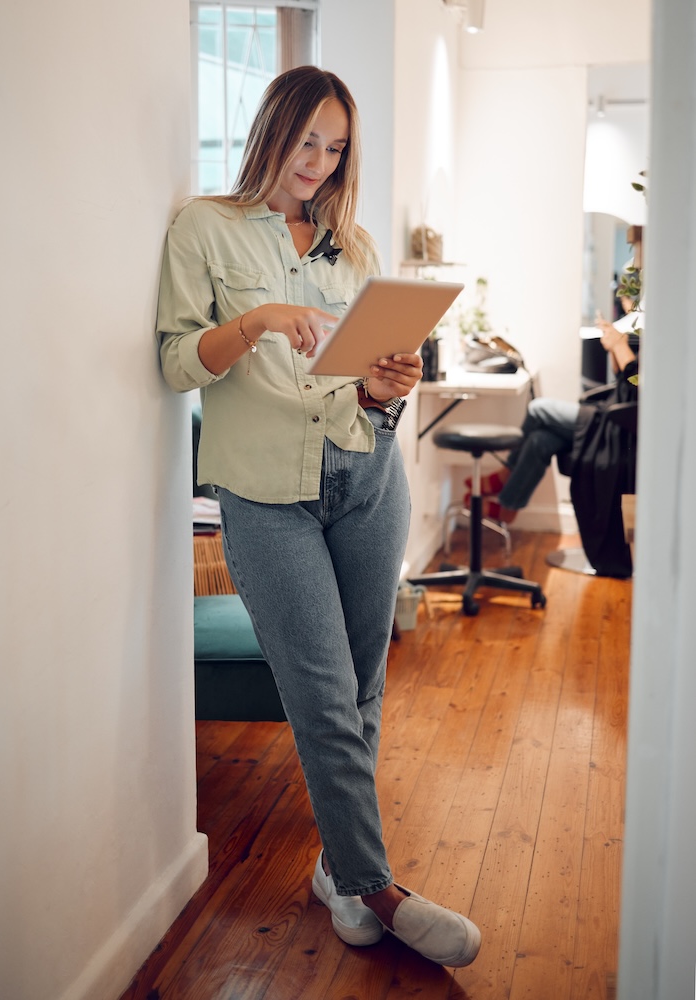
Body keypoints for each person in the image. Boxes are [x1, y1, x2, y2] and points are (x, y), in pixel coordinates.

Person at [156, 66, 481, 968]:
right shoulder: (204, 228)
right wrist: (260, 319)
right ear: (273, 129)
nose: (319, 163)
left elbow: (366, 390)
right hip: (265, 493)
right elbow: (179, 362)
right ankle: (380, 886)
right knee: (324, 695)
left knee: (368, 686)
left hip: (365, 476)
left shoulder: (356, 244)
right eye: (308, 142)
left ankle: (340, 870)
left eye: (336, 150)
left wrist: (388, 390)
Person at [467, 307, 639, 528]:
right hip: (609, 412)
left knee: (539, 408)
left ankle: (505, 474)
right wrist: (613, 347)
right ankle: (509, 507)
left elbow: (638, 386)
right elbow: (626, 379)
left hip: (614, 426)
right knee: (540, 441)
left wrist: (619, 345)